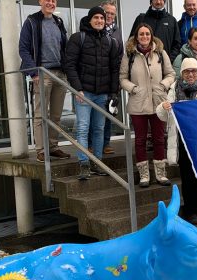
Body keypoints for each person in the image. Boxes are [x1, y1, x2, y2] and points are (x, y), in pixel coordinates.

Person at [156, 58, 197, 224]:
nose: (191, 74)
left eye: (194, 71)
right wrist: (164, 107)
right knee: (187, 177)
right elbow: (162, 115)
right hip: (182, 140)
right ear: (182, 73)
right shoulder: (174, 88)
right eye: (187, 71)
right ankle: (191, 210)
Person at [64, 7, 121, 180]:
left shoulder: (110, 42)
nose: (99, 21)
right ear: (89, 20)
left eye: (102, 18)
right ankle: (84, 164)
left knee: (99, 129)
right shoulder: (78, 38)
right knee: (82, 128)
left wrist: (113, 92)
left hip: (102, 94)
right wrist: (77, 88)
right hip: (84, 92)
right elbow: (70, 65)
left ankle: (98, 163)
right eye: (96, 17)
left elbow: (114, 69)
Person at [120, 23, 175, 188]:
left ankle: (161, 173)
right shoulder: (129, 55)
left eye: (147, 34)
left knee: (159, 138)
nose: (144, 37)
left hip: (159, 102)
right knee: (140, 140)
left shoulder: (160, 53)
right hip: (138, 102)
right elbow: (122, 78)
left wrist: (163, 85)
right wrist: (133, 89)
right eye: (141, 34)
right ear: (136, 37)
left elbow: (171, 73)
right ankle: (144, 175)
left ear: (151, 36)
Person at [19, 0, 72, 162]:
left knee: (56, 114)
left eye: (53, 0)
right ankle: (41, 150)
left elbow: (64, 48)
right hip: (43, 73)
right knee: (41, 114)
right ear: (40, 2)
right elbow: (23, 49)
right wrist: (34, 72)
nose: (51, 3)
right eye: (47, 0)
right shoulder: (32, 21)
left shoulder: (58, 21)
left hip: (60, 74)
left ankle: (53, 147)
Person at [101, 0, 123, 155]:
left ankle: (106, 143)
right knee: (95, 112)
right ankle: (91, 144)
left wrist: (119, 79)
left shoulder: (117, 31)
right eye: (106, 12)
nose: (109, 16)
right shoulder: (95, 28)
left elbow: (121, 55)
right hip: (96, 77)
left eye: (112, 13)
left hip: (112, 79)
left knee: (109, 110)